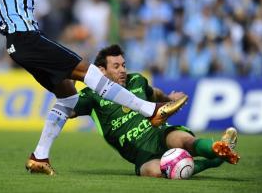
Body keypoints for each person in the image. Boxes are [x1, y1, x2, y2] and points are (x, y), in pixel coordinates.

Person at [0, 0, 187, 175]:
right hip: (25, 37)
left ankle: (39, 157)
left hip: (21, 43)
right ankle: (149, 109)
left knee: (68, 97)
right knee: (88, 71)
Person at [68, 44, 240, 177]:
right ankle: (215, 161)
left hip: (158, 134)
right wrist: (73, 77)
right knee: (157, 172)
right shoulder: (90, 95)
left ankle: (220, 147)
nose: (123, 70)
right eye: (116, 66)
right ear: (101, 71)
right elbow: (69, 111)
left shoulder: (136, 80)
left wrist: (168, 98)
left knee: (187, 142)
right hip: (140, 154)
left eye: (124, 65)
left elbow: (154, 93)